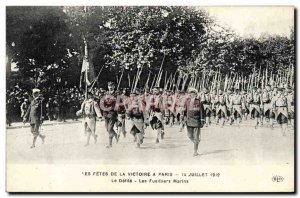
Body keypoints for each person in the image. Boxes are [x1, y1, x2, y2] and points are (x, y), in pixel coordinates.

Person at [184, 87, 205, 156]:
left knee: (196, 137)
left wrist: (202, 120)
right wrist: (184, 118)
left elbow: (202, 112)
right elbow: (185, 110)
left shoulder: (199, 102)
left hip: (196, 120)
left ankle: (195, 151)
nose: (191, 95)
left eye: (192, 93)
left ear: (196, 94)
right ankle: (196, 143)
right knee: (189, 135)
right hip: (189, 120)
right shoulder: (187, 101)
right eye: (190, 93)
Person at [100, 82, 119, 148]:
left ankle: (110, 144)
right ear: (107, 86)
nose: (110, 87)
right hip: (105, 113)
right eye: (109, 86)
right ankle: (116, 135)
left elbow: (117, 105)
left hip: (112, 113)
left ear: (114, 86)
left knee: (110, 128)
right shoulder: (105, 94)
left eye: (112, 85)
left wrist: (114, 112)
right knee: (107, 129)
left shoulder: (116, 94)